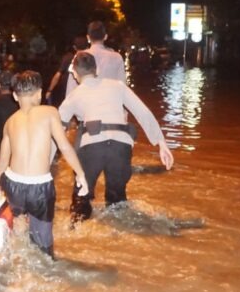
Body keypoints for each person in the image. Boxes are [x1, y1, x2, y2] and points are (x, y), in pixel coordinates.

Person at [59, 52, 173, 222]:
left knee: (80, 199)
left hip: (92, 147)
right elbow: (142, 111)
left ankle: (77, 230)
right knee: (117, 203)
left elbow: (55, 129)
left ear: (75, 74)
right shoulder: (118, 86)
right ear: (96, 69)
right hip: (121, 147)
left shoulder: (74, 95)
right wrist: (161, 143)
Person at [0, 71, 89, 257]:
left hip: (13, 184)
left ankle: (18, 256)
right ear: (39, 93)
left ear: (14, 96)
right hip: (39, 186)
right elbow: (65, 146)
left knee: (19, 224)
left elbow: (3, 160)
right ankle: (45, 262)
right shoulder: (50, 112)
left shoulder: (10, 122)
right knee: (43, 239)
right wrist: (81, 174)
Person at [65, 21, 126, 97]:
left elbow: (71, 89)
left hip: (86, 106)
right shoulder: (117, 57)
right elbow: (123, 87)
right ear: (105, 37)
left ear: (88, 37)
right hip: (110, 104)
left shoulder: (79, 57)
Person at [45, 36, 88, 107]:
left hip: (69, 94)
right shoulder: (91, 59)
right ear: (87, 47)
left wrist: (49, 90)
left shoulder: (68, 58)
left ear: (74, 47)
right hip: (85, 94)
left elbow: (58, 75)